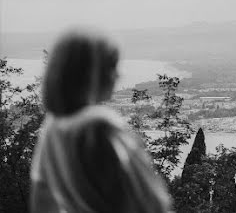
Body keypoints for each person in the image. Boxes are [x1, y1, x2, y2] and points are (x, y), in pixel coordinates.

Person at [30, 28, 171, 213]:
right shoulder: (99, 125)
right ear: (89, 72)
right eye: (112, 66)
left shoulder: (53, 125)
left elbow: (41, 200)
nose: (119, 75)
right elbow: (150, 202)